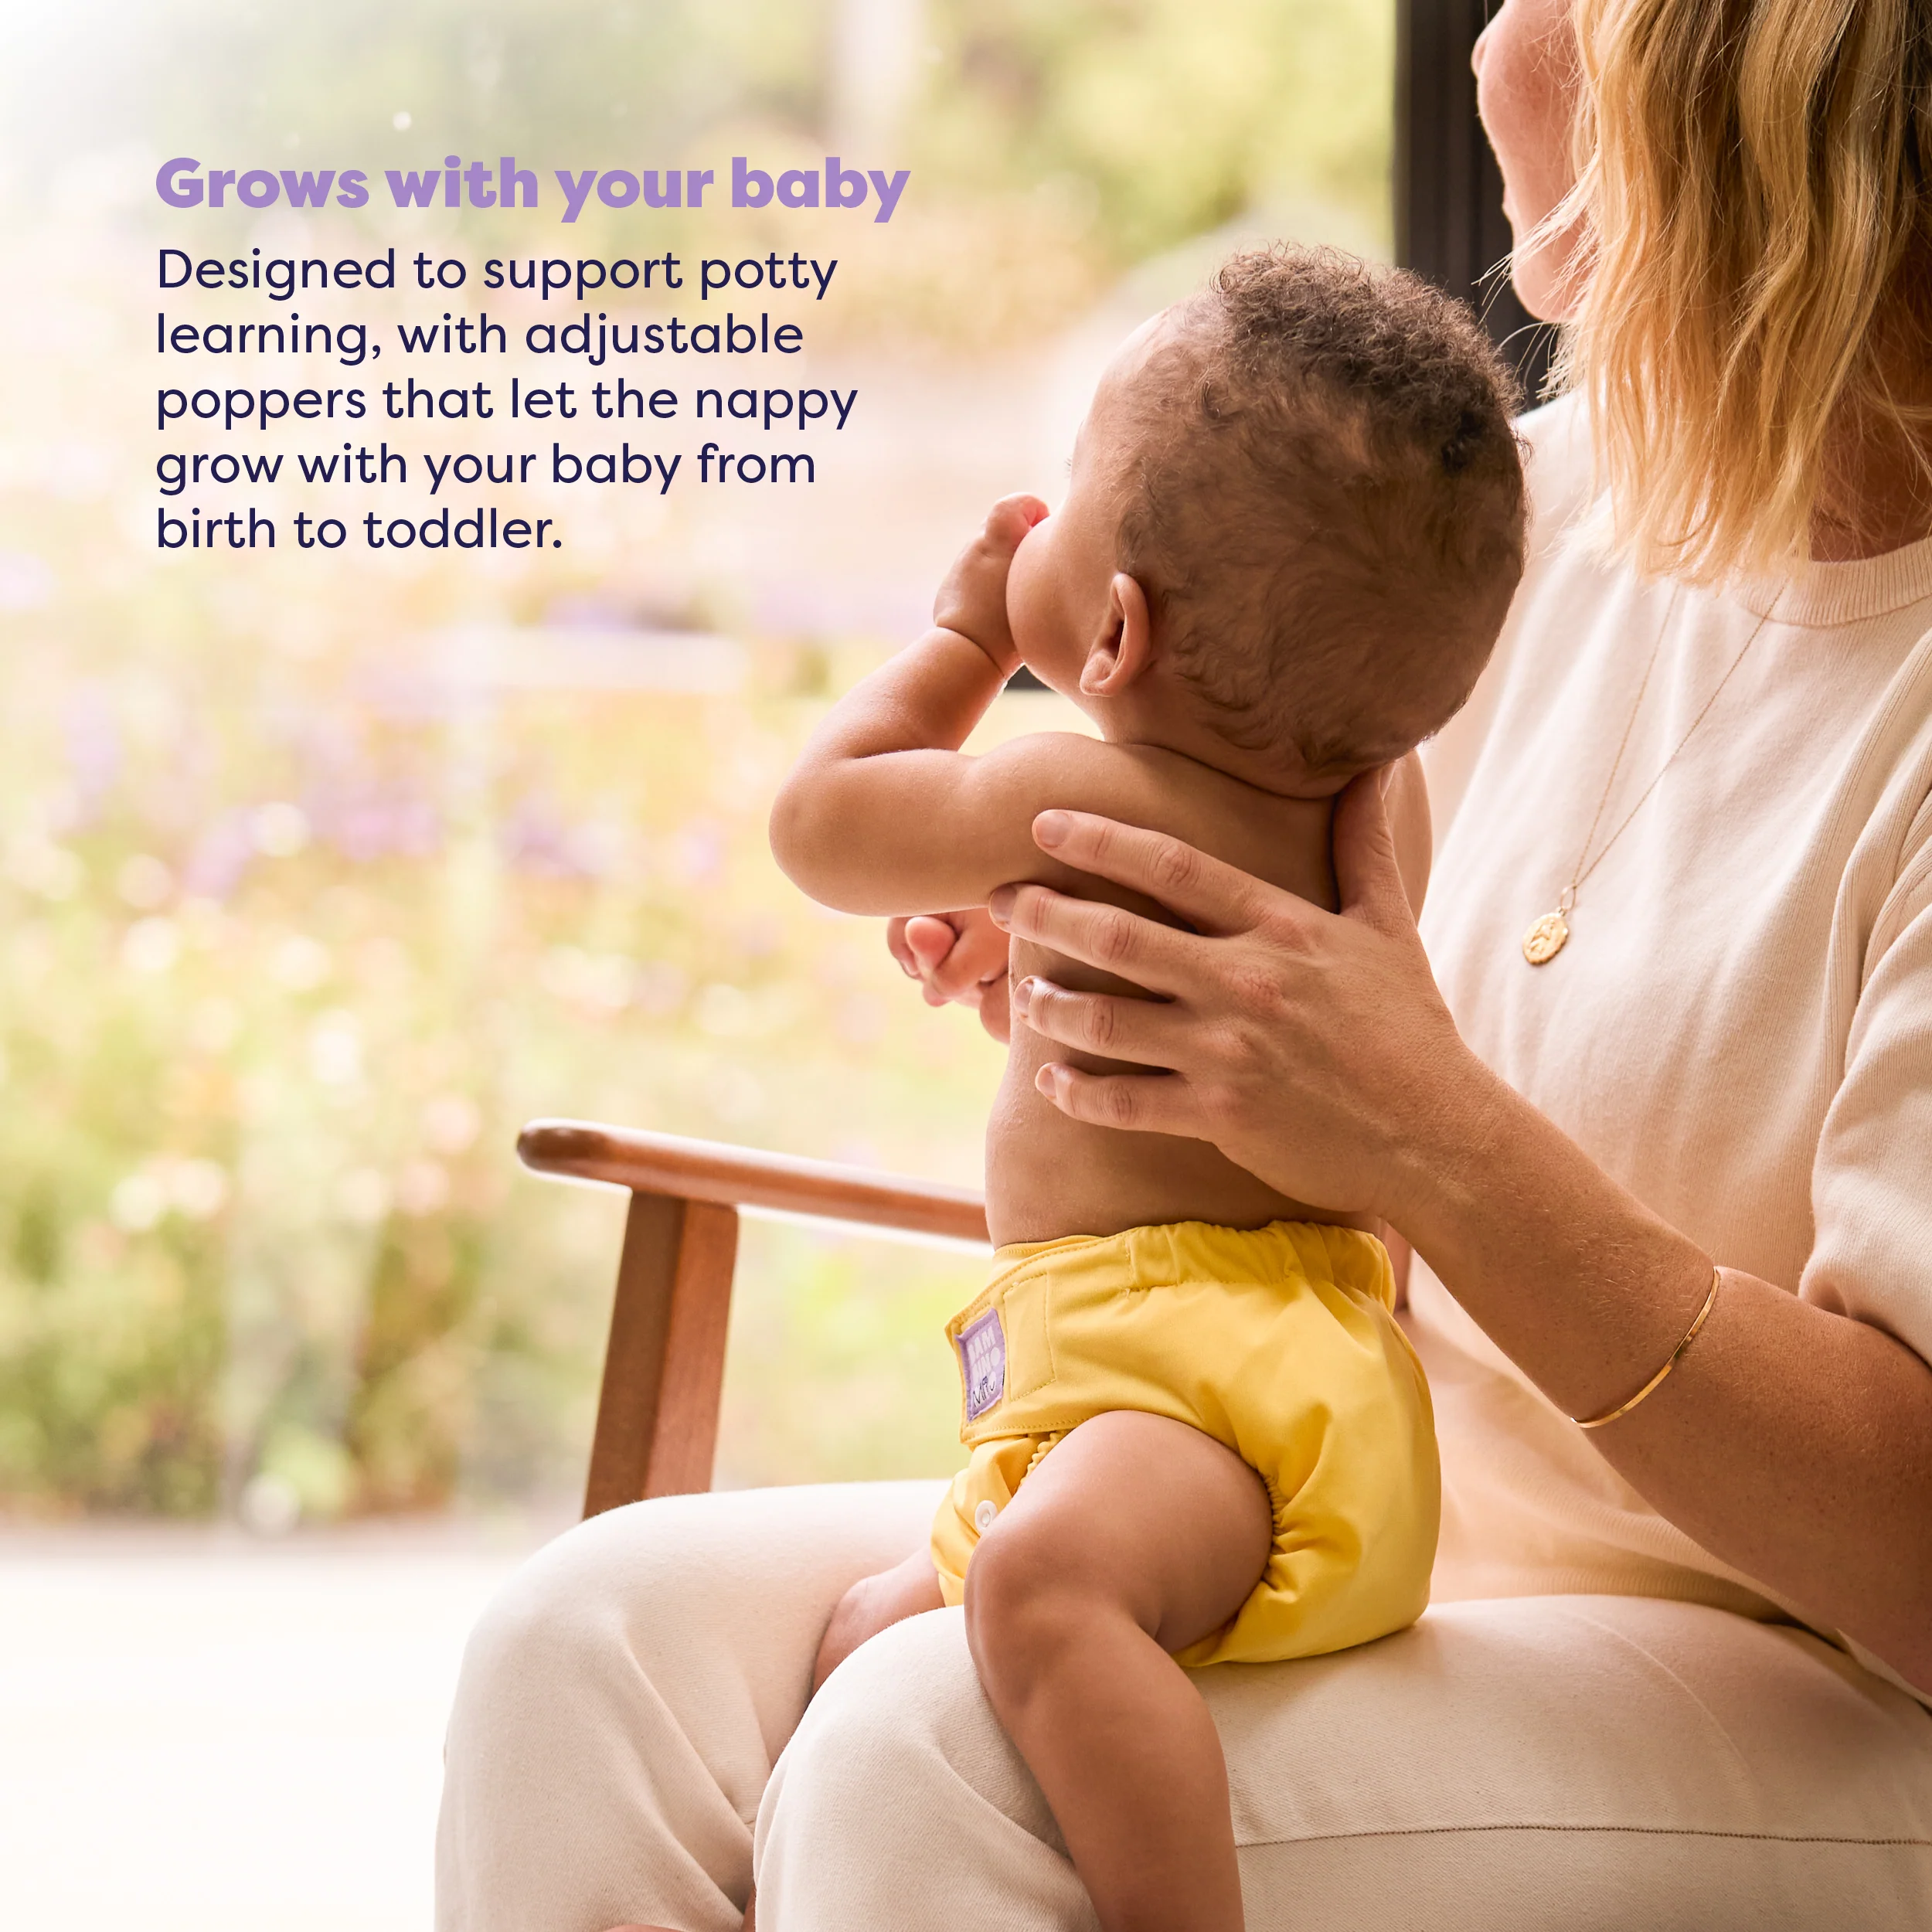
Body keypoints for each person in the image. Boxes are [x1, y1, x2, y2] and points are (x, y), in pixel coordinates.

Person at [436, 2, 1932, 1927]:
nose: (1488, 46)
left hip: (1809, 1667)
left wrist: (1431, 1138)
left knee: (940, 1755)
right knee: (588, 1652)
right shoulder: (1518, 528)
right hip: (1351, 1503)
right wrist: (1132, 995)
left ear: (1741, 102)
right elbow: (1289, 930)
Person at [761, 246, 1524, 1932]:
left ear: (1109, 632)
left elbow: (817, 824)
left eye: (1072, 496)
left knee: (1034, 1589)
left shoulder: (1049, 786)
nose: (1036, 525)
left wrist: (964, 632)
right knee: (864, 1631)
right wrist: (1018, 956)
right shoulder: (1353, 810)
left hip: (1209, 1399)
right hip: (1225, 1374)